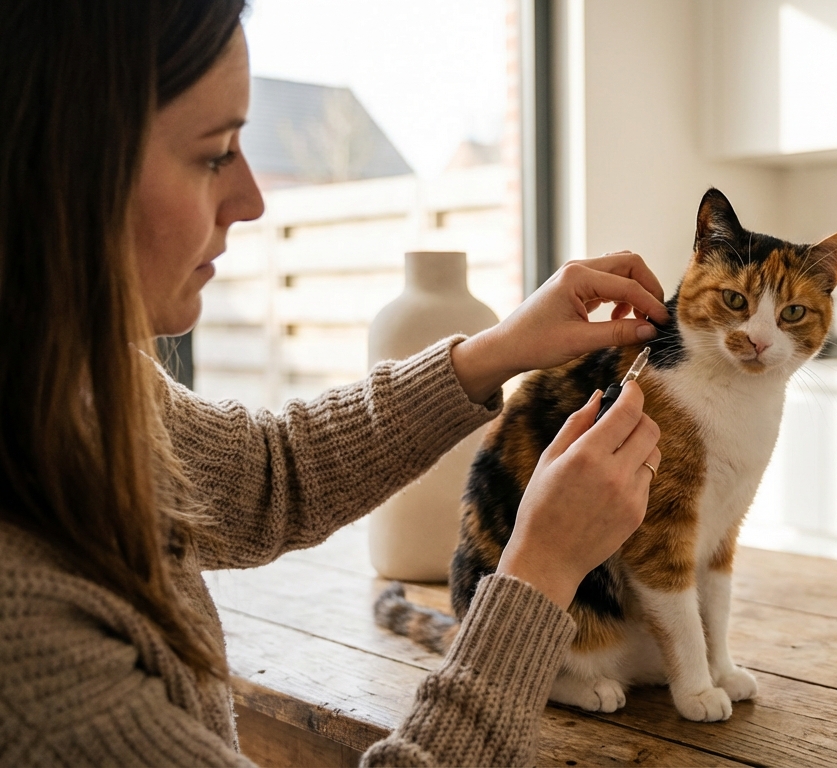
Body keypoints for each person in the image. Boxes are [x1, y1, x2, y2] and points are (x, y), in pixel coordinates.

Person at [0, 1, 666, 765]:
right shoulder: (27, 644)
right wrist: (541, 573)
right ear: (63, 170)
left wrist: (495, 351)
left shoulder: (75, 382)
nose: (252, 200)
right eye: (215, 154)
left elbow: (269, 476)